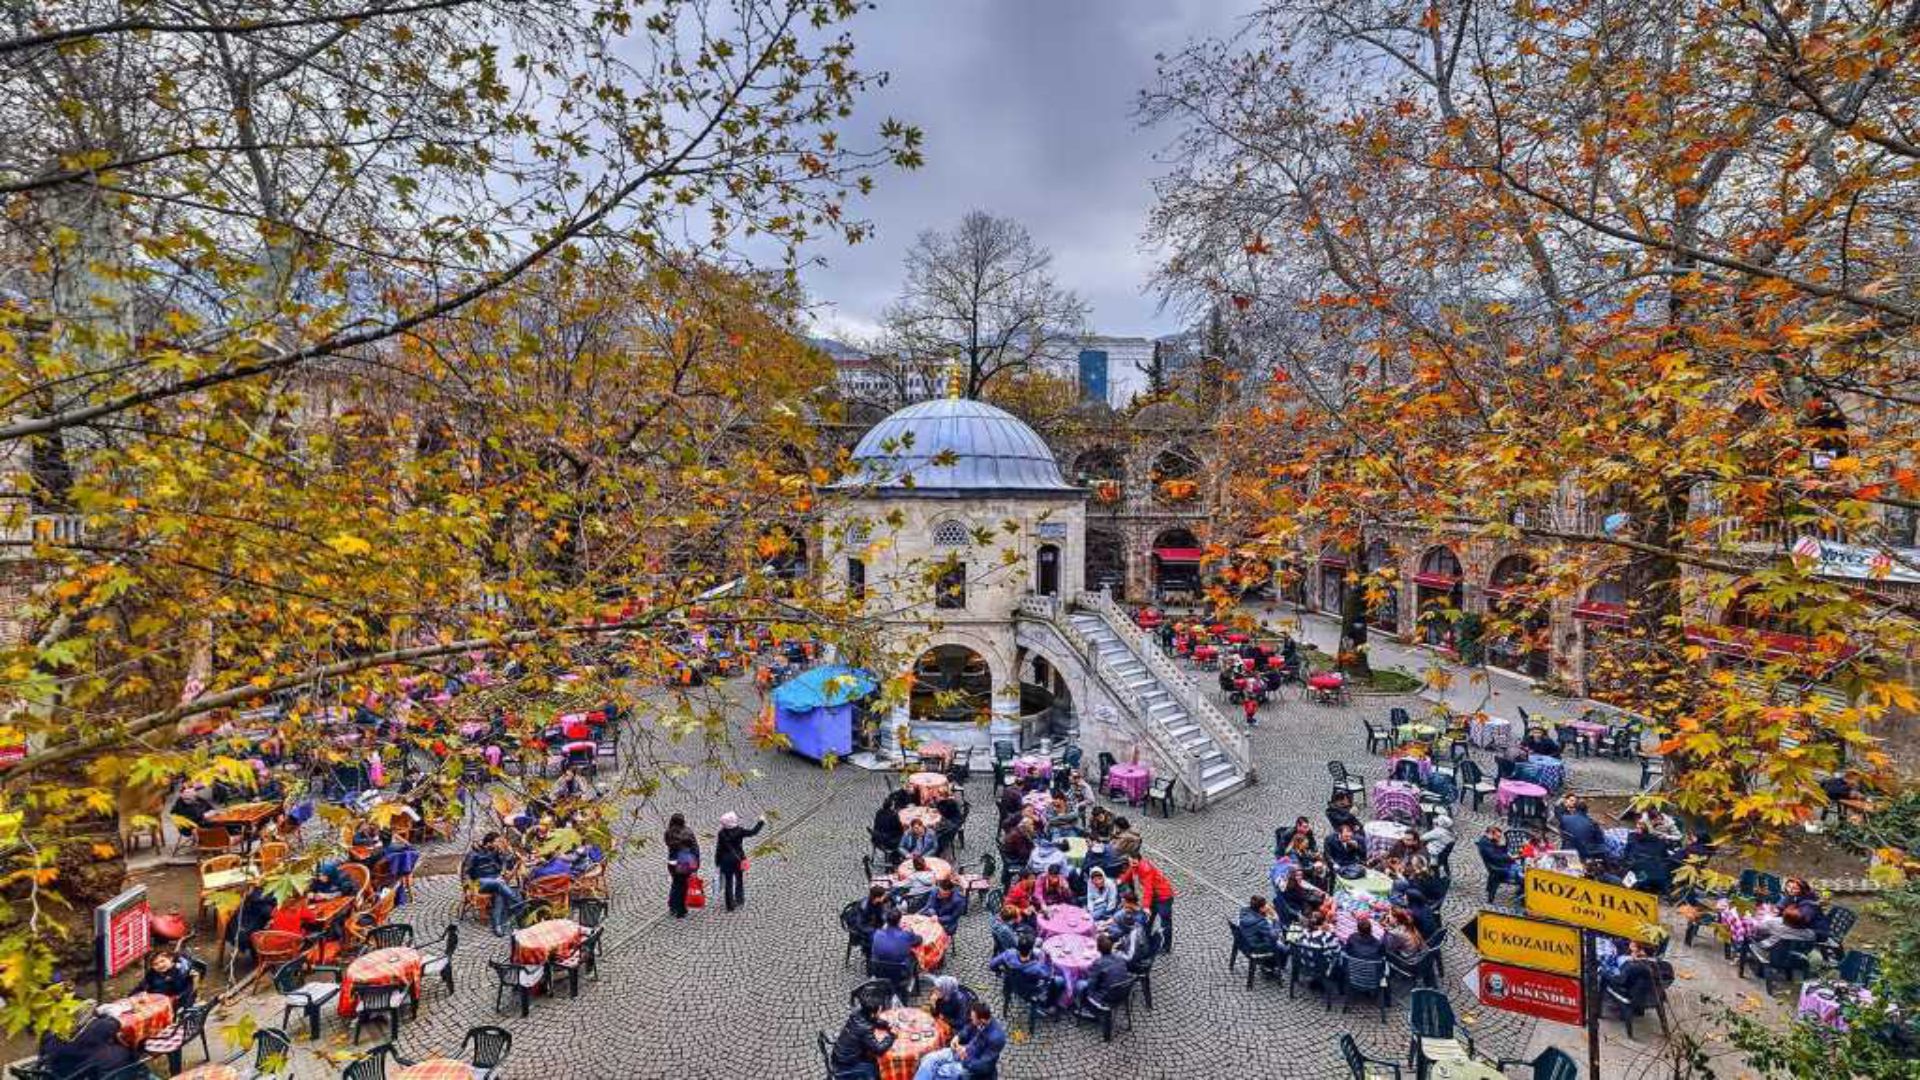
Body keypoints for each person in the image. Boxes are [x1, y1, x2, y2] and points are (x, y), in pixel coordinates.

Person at [912, 1000, 1006, 1080]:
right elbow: (968, 1028)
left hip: (971, 1067)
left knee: (939, 1072)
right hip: (962, 1050)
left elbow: (984, 1066)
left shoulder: (996, 1038)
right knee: (929, 1059)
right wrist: (958, 1037)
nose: (971, 1020)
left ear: (982, 1020)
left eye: (973, 1018)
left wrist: (965, 1058)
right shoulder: (980, 1019)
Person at [37, 1013, 139, 1079]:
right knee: (122, 1052)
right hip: (76, 1072)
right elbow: (114, 1024)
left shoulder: (49, 1032)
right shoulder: (92, 1029)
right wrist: (102, 1016)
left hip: (56, 1069)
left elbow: (42, 1052)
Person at [464, 831, 523, 936]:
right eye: (497, 841)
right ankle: (520, 903)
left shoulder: (495, 851)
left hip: (495, 880)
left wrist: (506, 853)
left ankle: (497, 926)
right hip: (479, 882)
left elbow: (506, 864)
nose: (499, 843)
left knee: (499, 895)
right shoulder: (474, 854)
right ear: (489, 842)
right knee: (499, 884)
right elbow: (466, 872)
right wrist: (468, 888)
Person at [1118, 855, 1177, 953]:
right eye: (1131, 862)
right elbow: (1130, 872)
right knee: (1148, 921)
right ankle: (1146, 942)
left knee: (1165, 923)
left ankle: (1166, 946)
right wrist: (1121, 880)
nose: (1132, 864)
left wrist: (1146, 907)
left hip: (1163, 897)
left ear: (1139, 860)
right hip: (1155, 896)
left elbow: (1148, 889)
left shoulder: (1146, 869)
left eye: (1134, 862)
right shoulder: (1135, 865)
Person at [828, 999, 895, 1080]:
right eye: (879, 1011)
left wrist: (886, 1024)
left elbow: (872, 1020)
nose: (880, 1012)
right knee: (874, 1067)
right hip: (846, 1061)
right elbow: (879, 1049)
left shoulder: (858, 1014)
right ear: (872, 1013)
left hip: (839, 1053)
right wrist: (891, 1036)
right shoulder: (865, 1029)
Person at [715, 811, 766, 912]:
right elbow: (753, 832)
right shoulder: (739, 831)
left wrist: (717, 861)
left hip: (725, 860)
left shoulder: (721, 833)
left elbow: (719, 848)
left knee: (728, 882)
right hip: (738, 859)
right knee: (739, 879)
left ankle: (729, 905)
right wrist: (761, 822)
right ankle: (739, 899)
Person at [1079, 932, 1131, 1007]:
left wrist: (1090, 995)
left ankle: (1081, 1006)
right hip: (1123, 992)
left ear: (1098, 949)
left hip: (1105, 997)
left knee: (1080, 984)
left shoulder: (1099, 963)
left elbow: (1091, 983)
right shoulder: (1120, 957)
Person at [664, 812, 700, 918]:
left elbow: (668, 844)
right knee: (683, 885)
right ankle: (681, 909)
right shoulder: (687, 832)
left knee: (676, 883)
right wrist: (696, 863)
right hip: (684, 861)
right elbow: (695, 849)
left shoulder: (668, 833)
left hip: (672, 862)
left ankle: (672, 905)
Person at [1478, 825, 1523, 893]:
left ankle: (1521, 891)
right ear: (1491, 834)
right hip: (1501, 869)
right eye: (1498, 836)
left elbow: (1498, 852)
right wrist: (1510, 857)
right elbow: (1495, 857)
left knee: (1524, 870)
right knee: (1526, 876)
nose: (1499, 838)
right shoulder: (1485, 844)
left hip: (1505, 866)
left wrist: (1500, 844)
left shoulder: (1490, 842)